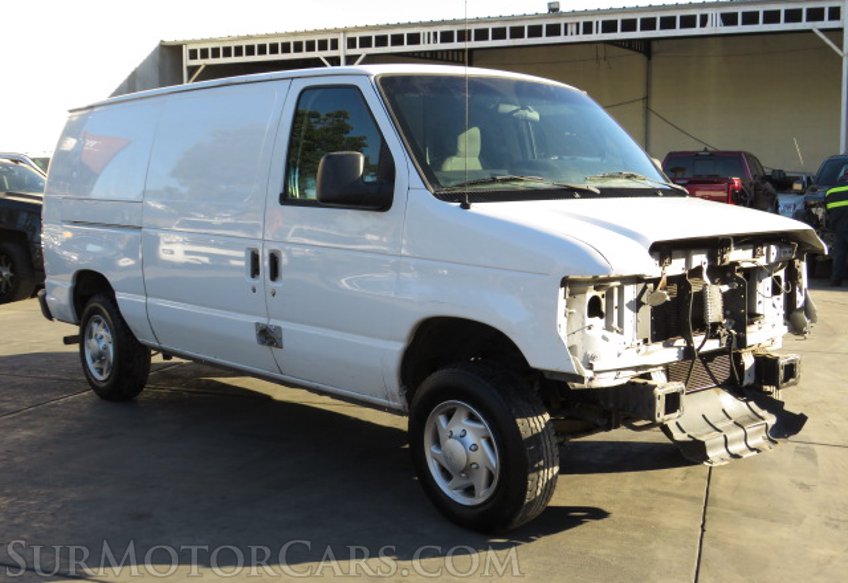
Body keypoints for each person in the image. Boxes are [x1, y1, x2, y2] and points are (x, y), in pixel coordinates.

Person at [825, 171, 848, 286]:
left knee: (839, 254)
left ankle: (836, 280)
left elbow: (828, 210)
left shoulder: (830, 191)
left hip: (838, 227)